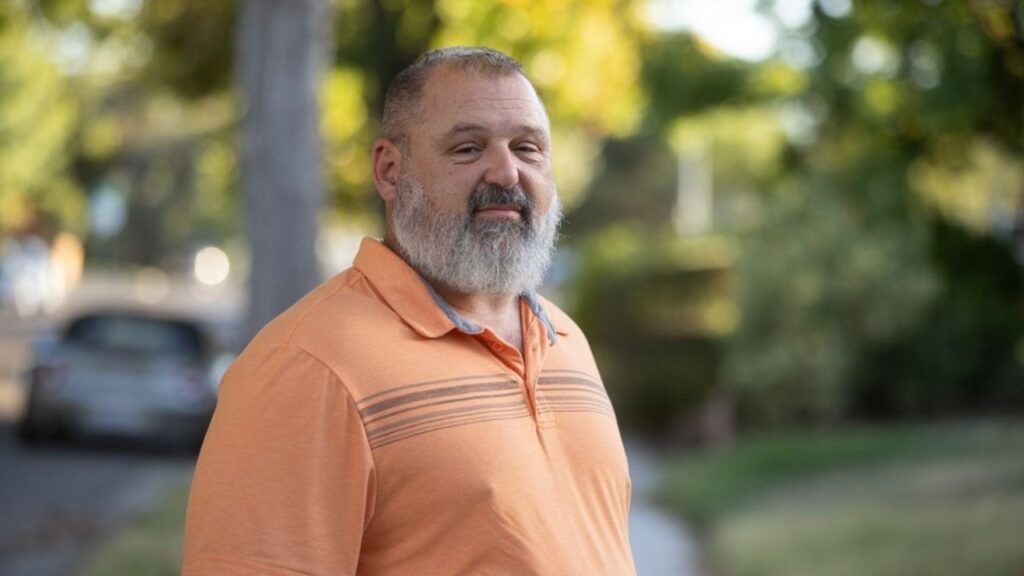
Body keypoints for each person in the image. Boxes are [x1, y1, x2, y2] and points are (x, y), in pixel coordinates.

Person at [183, 46, 637, 576]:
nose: (506, 172)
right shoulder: (306, 365)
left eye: (528, 147)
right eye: (468, 148)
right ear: (390, 171)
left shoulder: (564, 339)